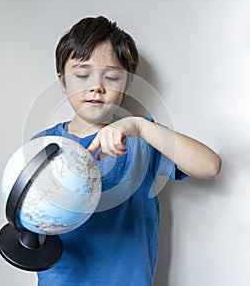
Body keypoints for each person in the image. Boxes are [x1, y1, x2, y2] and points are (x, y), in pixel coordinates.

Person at [33, 16, 221, 286]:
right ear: (62, 82)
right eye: (83, 75)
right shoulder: (42, 144)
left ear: (127, 83)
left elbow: (211, 166)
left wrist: (140, 127)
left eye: (111, 77)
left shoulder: (143, 139)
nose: (96, 86)